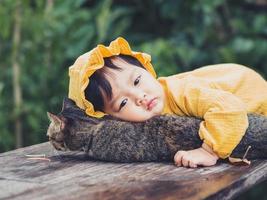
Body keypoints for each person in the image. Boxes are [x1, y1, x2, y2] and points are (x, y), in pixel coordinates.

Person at [68, 37, 267, 168]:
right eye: (123, 103)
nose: (140, 97)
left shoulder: (183, 91)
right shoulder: (147, 111)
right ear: (112, 117)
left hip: (254, 95)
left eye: (137, 80)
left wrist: (209, 151)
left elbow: (229, 109)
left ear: (147, 69)